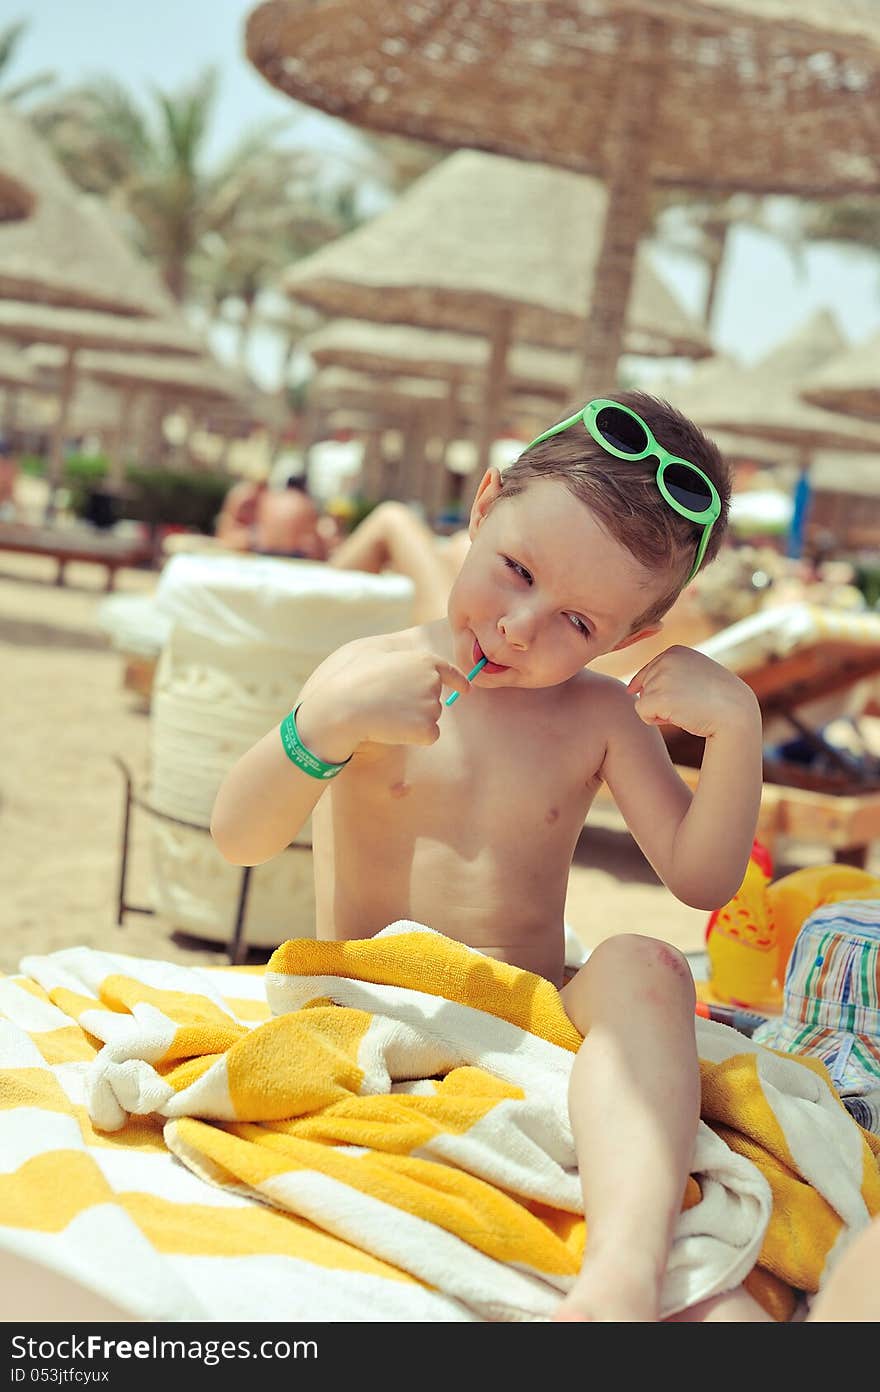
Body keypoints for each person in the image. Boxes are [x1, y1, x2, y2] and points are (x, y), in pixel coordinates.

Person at [211, 390, 770, 1321]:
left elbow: (700, 878)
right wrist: (320, 730)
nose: (522, 627)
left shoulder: (599, 715)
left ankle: (622, 1274)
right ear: (481, 508)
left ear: (630, 639)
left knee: (648, 963)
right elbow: (241, 835)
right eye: (515, 570)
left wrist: (737, 731)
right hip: (370, 997)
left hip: (529, 1009)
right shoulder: (369, 674)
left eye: (579, 624)